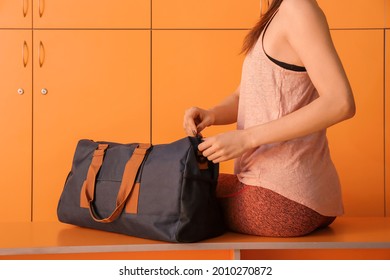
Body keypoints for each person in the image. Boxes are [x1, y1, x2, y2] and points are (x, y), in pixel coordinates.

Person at [183, 0, 356, 237]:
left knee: (177, 188)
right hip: (304, 198)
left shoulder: (297, 7)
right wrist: (212, 114)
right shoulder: (279, 12)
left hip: (279, 198)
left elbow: (340, 102)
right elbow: (242, 95)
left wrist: (246, 138)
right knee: (183, 185)